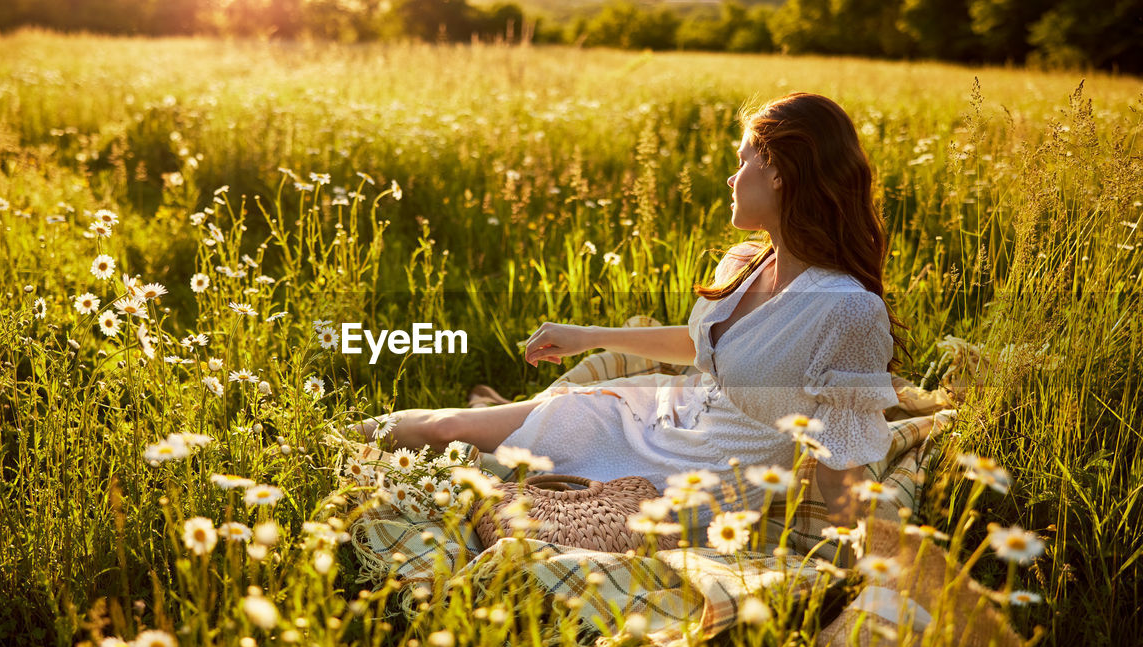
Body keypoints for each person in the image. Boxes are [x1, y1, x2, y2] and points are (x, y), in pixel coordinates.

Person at [356, 92, 911, 532]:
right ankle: (318, 438)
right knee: (449, 428)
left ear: (780, 172)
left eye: (742, 162)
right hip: (655, 418)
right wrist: (588, 336)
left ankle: (325, 447)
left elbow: (846, 458)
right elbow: (705, 346)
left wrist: (855, 563)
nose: (730, 178)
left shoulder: (844, 310)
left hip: (692, 481)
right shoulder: (747, 262)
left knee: (470, 466)